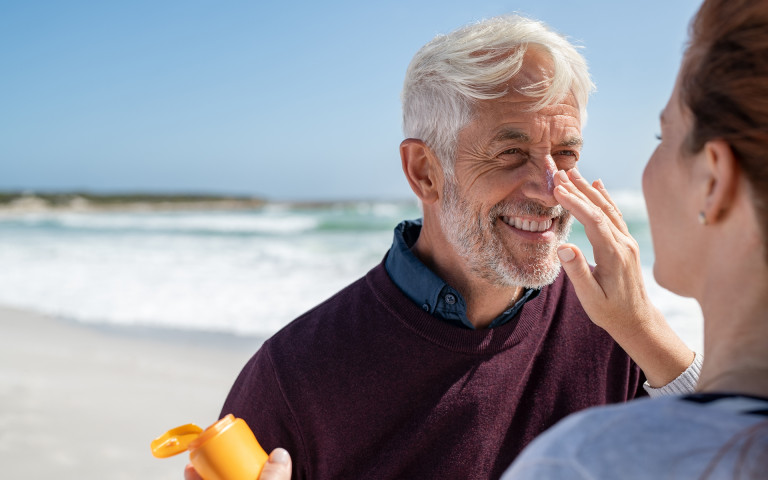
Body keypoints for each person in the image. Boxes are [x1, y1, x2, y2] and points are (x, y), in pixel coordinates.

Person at [187, 14, 701, 480]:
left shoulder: (612, 327)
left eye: (565, 154)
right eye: (510, 153)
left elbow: (735, 457)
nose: (549, 187)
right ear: (425, 172)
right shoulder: (295, 377)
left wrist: (643, 329)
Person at [501, 0, 768, 478]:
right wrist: (640, 328)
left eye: (661, 137)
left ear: (713, 180)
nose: (550, 185)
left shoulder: (581, 462)